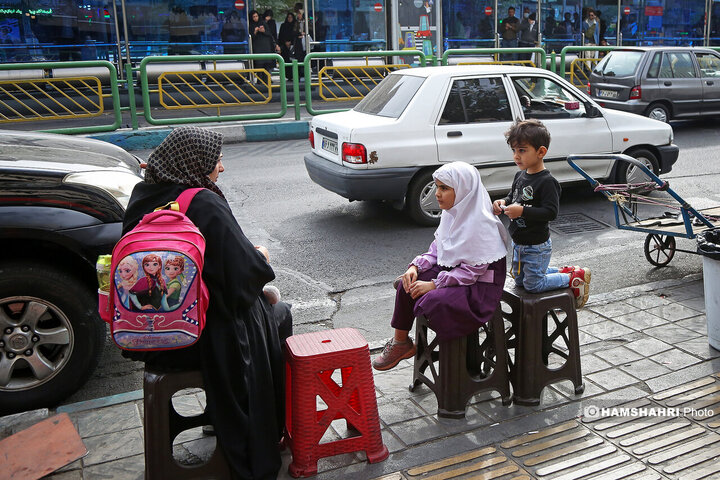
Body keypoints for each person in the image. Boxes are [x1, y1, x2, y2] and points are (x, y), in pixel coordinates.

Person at [122, 126, 293, 479]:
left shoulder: (142, 195)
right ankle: (264, 427)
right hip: (207, 342)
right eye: (217, 160)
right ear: (196, 162)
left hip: (153, 339)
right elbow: (245, 277)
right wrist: (261, 255)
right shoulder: (202, 202)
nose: (221, 168)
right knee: (279, 313)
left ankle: (219, 416)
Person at [372, 162, 508, 371]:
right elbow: (438, 250)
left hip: (479, 287)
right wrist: (415, 267)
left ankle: (456, 362)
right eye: (437, 187)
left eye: (444, 188)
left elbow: (472, 273)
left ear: (463, 191)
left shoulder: (481, 224)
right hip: (455, 274)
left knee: (431, 300)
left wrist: (434, 285)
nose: (437, 194)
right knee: (408, 284)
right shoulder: (452, 213)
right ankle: (401, 342)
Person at [492, 120, 591, 308]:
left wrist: (522, 211)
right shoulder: (519, 176)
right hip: (519, 243)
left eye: (522, 150)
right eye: (514, 150)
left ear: (541, 152)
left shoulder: (547, 182)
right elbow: (512, 196)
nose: (516, 156)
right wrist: (503, 202)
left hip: (536, 245)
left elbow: (551, 212)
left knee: (533, 285)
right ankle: (566, 271)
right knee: (519, 280)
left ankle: (572, 278)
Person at [249, 9, 278, 74]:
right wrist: (255, 32)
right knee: (259, 65)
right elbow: (251, 36)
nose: (256, 18)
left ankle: (267, 80)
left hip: (266, 47)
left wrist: (264, 31)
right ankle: (260, 81)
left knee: (267, 65)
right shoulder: (251, 25)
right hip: (257, 47)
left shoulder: (263, 23)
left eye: (256, 16)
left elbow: (269, 33)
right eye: (254, 17)